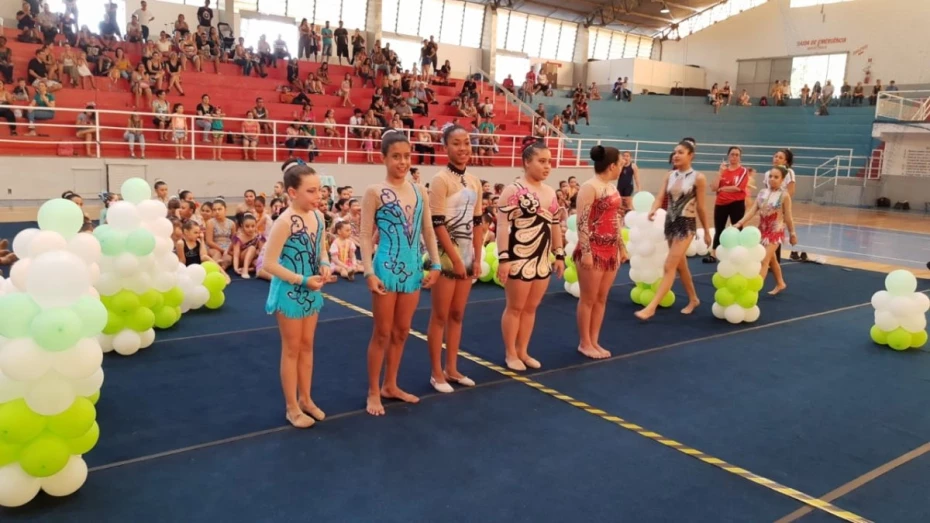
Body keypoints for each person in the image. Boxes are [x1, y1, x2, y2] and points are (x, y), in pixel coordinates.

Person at [360, 130, 441, 416]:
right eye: (396, 156)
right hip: (385, 269)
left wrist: (435, 263)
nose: (403, 162)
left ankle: (390, 385)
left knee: (402, 331)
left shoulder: (419, 191)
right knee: (382, 332)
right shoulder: (374, 192)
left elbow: (427, 229)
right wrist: (368, 272)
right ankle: (373, 390)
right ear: (383, 158)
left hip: (413, 269)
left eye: (406, 156)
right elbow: (365, 235)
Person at [263, 159, 332, 429]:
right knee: (291, 349)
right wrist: (302, 280)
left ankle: (306, 398)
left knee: (307, 346)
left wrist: (325, 264)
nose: (318, 196)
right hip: (290, 292)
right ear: (292, 192)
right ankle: (291, 407)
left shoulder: (318, 217)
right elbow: (269, 263)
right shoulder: (284, 222)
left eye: (319, 190)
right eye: (311, 191)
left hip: (310, 289)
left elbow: (321, 249)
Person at [497, 137, 564, 370]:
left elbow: (555, 224)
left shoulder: (550, 192)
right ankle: (510, 353)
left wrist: (559, 254)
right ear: (527, 162)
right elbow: (502, 226)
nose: (547, 166)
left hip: (542, 258)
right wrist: (503, 258)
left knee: (531, 308)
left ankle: (523, 350)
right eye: (542, 161)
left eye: (549, 162)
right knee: (515, 307)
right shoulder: (513, 190)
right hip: (519, 255)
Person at [426, 124, 484, 392]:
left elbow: (478, 222)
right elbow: (437, 223)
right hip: (446, 255)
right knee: (440, 315)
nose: (463, 148)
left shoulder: (474, 181)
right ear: (445, 147)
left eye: (467, 143)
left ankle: (452, 368)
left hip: (467, 254)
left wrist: (477, 257)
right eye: (456, 143)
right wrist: (455, 259)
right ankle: (436, 372)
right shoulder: (440, 180)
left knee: (458, 314)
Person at [635, 141, 711, 320]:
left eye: (681, 152)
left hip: (686, 225)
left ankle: (651, 307)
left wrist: (707, 231)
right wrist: (653, 209)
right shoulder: (669, 175)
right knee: (680, 265)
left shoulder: (698, 178)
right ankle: (693, 299)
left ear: (691, 155)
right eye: (675, 152)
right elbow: (660, 196)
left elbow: (701, 207)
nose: (676, 155)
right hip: (670, 223)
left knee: (669, 265)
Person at [574, 145, 628, 358]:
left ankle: (594, 340)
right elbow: (581, 222)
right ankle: (584, 342)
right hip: (593, 247)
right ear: (612, 166)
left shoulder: (612, 188)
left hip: (610, 249)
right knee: (588, 298)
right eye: (620, 164)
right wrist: (586, 252)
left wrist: (621, 247)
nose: (622, 168)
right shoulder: (589, 187)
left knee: (602, 298)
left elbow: (615, 219)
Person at [736, 166, 797, 295]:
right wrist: (740, 223)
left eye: (776, 177)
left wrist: (792, 234)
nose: (772, 179)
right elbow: (753, 210)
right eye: (770, 176)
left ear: (782, 180)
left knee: (764, 260)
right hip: (762, 232)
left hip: (775, 232)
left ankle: (754, 292)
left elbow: (788, 217)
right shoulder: (762, 192)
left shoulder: (784, 195)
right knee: (772, 259)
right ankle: (780, 283)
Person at [704, 146, 750, 263]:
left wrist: (722, 188)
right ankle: (714, 253)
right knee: (719, 228)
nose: (734, 157)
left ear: (740, 157)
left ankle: (739, 254)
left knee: (737, 228)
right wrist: (719, 173)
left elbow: (738, 188)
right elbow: (714, 188)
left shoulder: (743, 171)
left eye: (737, 155)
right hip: (720, 203)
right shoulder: (723, 171)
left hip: (736, 203)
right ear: (728, 156)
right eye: (732, 154)